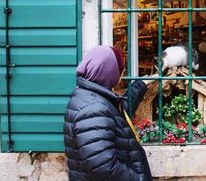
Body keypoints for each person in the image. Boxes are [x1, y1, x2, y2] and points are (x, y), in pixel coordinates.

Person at [64, 45, 155, 181]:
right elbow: (103, 166)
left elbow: (117, 114)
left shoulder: (91, 96)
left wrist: (141, 84)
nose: (122, 74)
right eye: (120, 70)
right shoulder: (94, 108)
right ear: (109, 72)